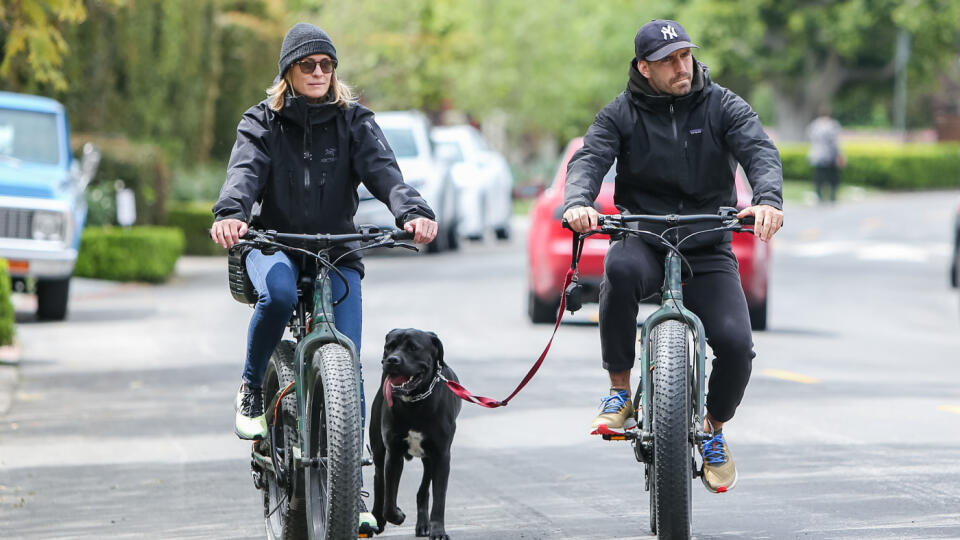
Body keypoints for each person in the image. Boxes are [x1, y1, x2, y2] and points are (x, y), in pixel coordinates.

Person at [562, 19, 783, 493]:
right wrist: (578, 201)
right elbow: (589, 159)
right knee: (617, 271)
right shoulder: (619, 113)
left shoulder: (724, 105)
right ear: (644, 68)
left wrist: (768, 199)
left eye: (685, 56)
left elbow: (759, 151)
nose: (681, 67)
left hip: (707, 244)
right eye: (668, 61)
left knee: (738, 346)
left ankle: (713, 431)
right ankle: (619, 391)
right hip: (642, 235)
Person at [210, 24, 438, 443]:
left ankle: (354, 485)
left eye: (327, 64)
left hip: (337, 250)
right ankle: (251, 388)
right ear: (288, 72)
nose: (318, 72)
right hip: (272, 242)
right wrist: (230, 214)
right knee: (277, 295)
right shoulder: (262, 121)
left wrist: (413, 212)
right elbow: (244, 174)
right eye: (307, 64)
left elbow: (385, 173)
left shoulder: (354, 120)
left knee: (348, 362)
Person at [807, 107, 843, 203]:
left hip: (816, 154)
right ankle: (832, 196)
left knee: (819, 177)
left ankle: (819, 196)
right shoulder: (832, 125)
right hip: (829, 155)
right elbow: (835, 142)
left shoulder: (814, 125)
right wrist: (839, 155)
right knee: (832, 176)